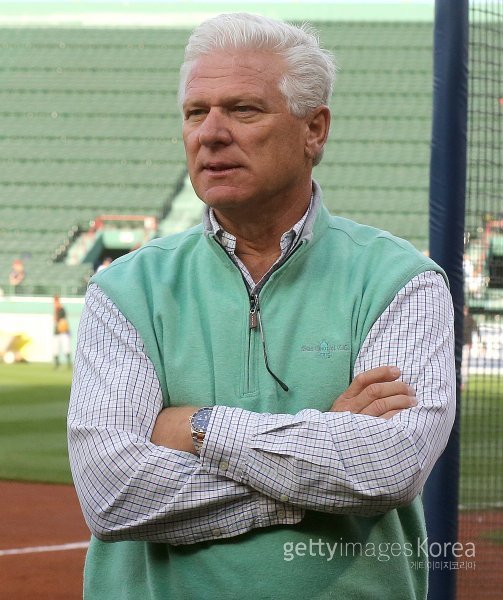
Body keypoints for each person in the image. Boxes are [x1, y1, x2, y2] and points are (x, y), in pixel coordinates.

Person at [68, 13, 456, 600]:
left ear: (314, 131)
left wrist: (198, 428)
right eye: (196, 112)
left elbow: (387, 468)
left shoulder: (401, 280)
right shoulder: (124, 289)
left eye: (243, 109)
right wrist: (322, 456)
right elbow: (113, 493)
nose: (210, 133)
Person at [53, 295, 71, 368]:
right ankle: (57, 364)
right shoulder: (56, 309)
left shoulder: (61, 309)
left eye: (56, 300)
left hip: (63, 332)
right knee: (55, 349)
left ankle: (69, 364)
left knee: (66, 348)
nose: (55, 302)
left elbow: (62, 320)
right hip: (57, 332)